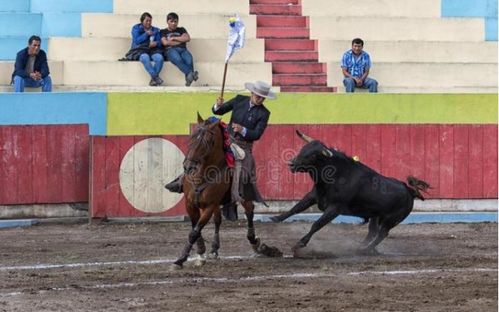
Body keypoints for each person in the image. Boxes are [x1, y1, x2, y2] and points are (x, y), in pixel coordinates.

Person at [165, 81, 276, 217]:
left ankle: (234, 198)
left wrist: (243, 130)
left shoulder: (264, 113)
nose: (259, 99)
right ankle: (181, 181)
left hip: (243, 146)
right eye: (257, 95)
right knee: (202, 150)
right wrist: (218, 105)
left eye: (262, 97)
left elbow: (257, 134)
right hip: (227, 139)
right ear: (252, 93)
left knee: (243, 172)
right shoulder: (239, 99)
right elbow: (219, 111)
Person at [160, 12, 198, 86]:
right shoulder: (163, 31)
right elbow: (165, 43)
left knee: (189, 59)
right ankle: (192, 74)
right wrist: (180, 41)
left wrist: (174, 38)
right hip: (170, 50)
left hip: (183, 50)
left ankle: (188, 80)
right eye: (171, 21)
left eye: (175, 21)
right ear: (167, 21)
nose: (174, 23)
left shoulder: (181, 29)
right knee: (178, 59)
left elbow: (187, 38)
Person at [131, 12, 164, 86]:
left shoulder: (155, 30)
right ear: (142, 21)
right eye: (147, 21)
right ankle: (155, 77)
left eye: (150, 21)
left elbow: (160, 42)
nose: (149, 23)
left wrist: (156, 43)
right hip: (140, 50)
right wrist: (146, 34)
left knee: (160, 58)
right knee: (145, 57)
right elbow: (137, 41)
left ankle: (153, 80)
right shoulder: (136, 28)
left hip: (153, 50)